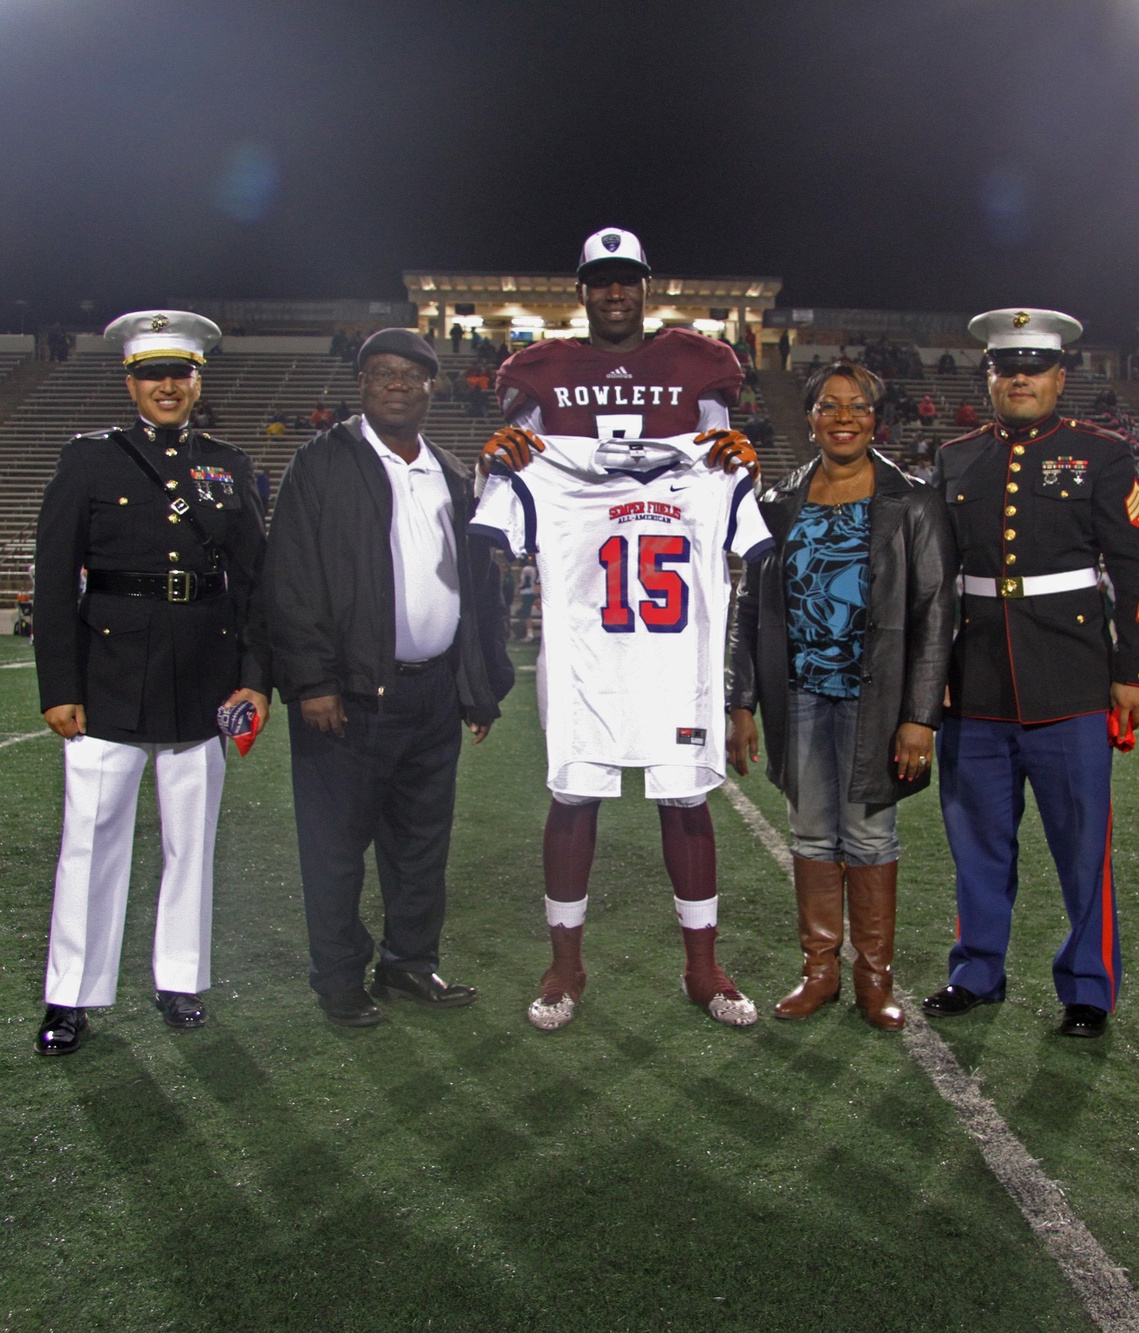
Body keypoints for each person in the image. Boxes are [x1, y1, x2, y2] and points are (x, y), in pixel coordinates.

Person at [474, 226, 768, 1033]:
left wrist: (737, 468)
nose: (614, 293)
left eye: (626, 280)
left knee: (686, 802)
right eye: (600, 281)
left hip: (676, 663)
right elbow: (488, 531)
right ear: (582, 292)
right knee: (573, 798)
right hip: (586, 658)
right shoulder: (541, 387)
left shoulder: (707, 426)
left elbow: (755, 538)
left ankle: (701, 965)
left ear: (645, 286)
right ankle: (565, 963)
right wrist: (495, 470)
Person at [30, 309, 269, 1056]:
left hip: (205, 674)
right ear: (129, 381)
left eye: (180, 373)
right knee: (91, 840)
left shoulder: (228, 464)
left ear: (199, 380)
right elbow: (52, 579)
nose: (167, 386)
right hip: (107, 676)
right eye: (151, 374)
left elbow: (256, 583)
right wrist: (58, 684)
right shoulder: (89, 460)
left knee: (190, 841)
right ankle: (71, 994)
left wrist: (256, 681)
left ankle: (180, 977)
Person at [923, 308, 1139, 1040]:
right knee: (976, 842)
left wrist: (1137, 669)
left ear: (1061, 376)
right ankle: (977, 969)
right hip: (977, 683)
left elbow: (1137, 568)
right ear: (990, 377)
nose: (1020, 378)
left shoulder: (1102, 454)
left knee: (1083, 845)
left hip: (1072, 680)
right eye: (1007, 368)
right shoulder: (956, 457)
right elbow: (933, 579)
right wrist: (928, 673)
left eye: (1034, 367)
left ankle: (1087, 987)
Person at [261, 329, 513, 1028]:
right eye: (381, 373)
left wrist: (479, 685)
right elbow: (292, 580)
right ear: (362, 386)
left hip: (433, 691)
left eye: (410, 374)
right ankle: (338, 975)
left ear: (433, 386)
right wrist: (311, 680)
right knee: (335, 845)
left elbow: (478, 591)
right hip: (344, 694)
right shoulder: (321, 464)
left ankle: (409, 961)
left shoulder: (454, 474)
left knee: (422, 842)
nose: (396, 384)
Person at [726, 360, 955, 1031]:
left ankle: (873, 978)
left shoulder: (912, 499)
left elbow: (936, 612)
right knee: (810, 829)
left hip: (874, 698)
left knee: (867, 833)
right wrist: (741, 700)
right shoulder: (781, 500)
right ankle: (819, 970)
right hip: (797, 692)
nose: (845, 416)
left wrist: (920, 717)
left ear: (876, 418)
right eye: (831, 405)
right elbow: (749, 602)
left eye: (858, 405)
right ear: (811, 416)